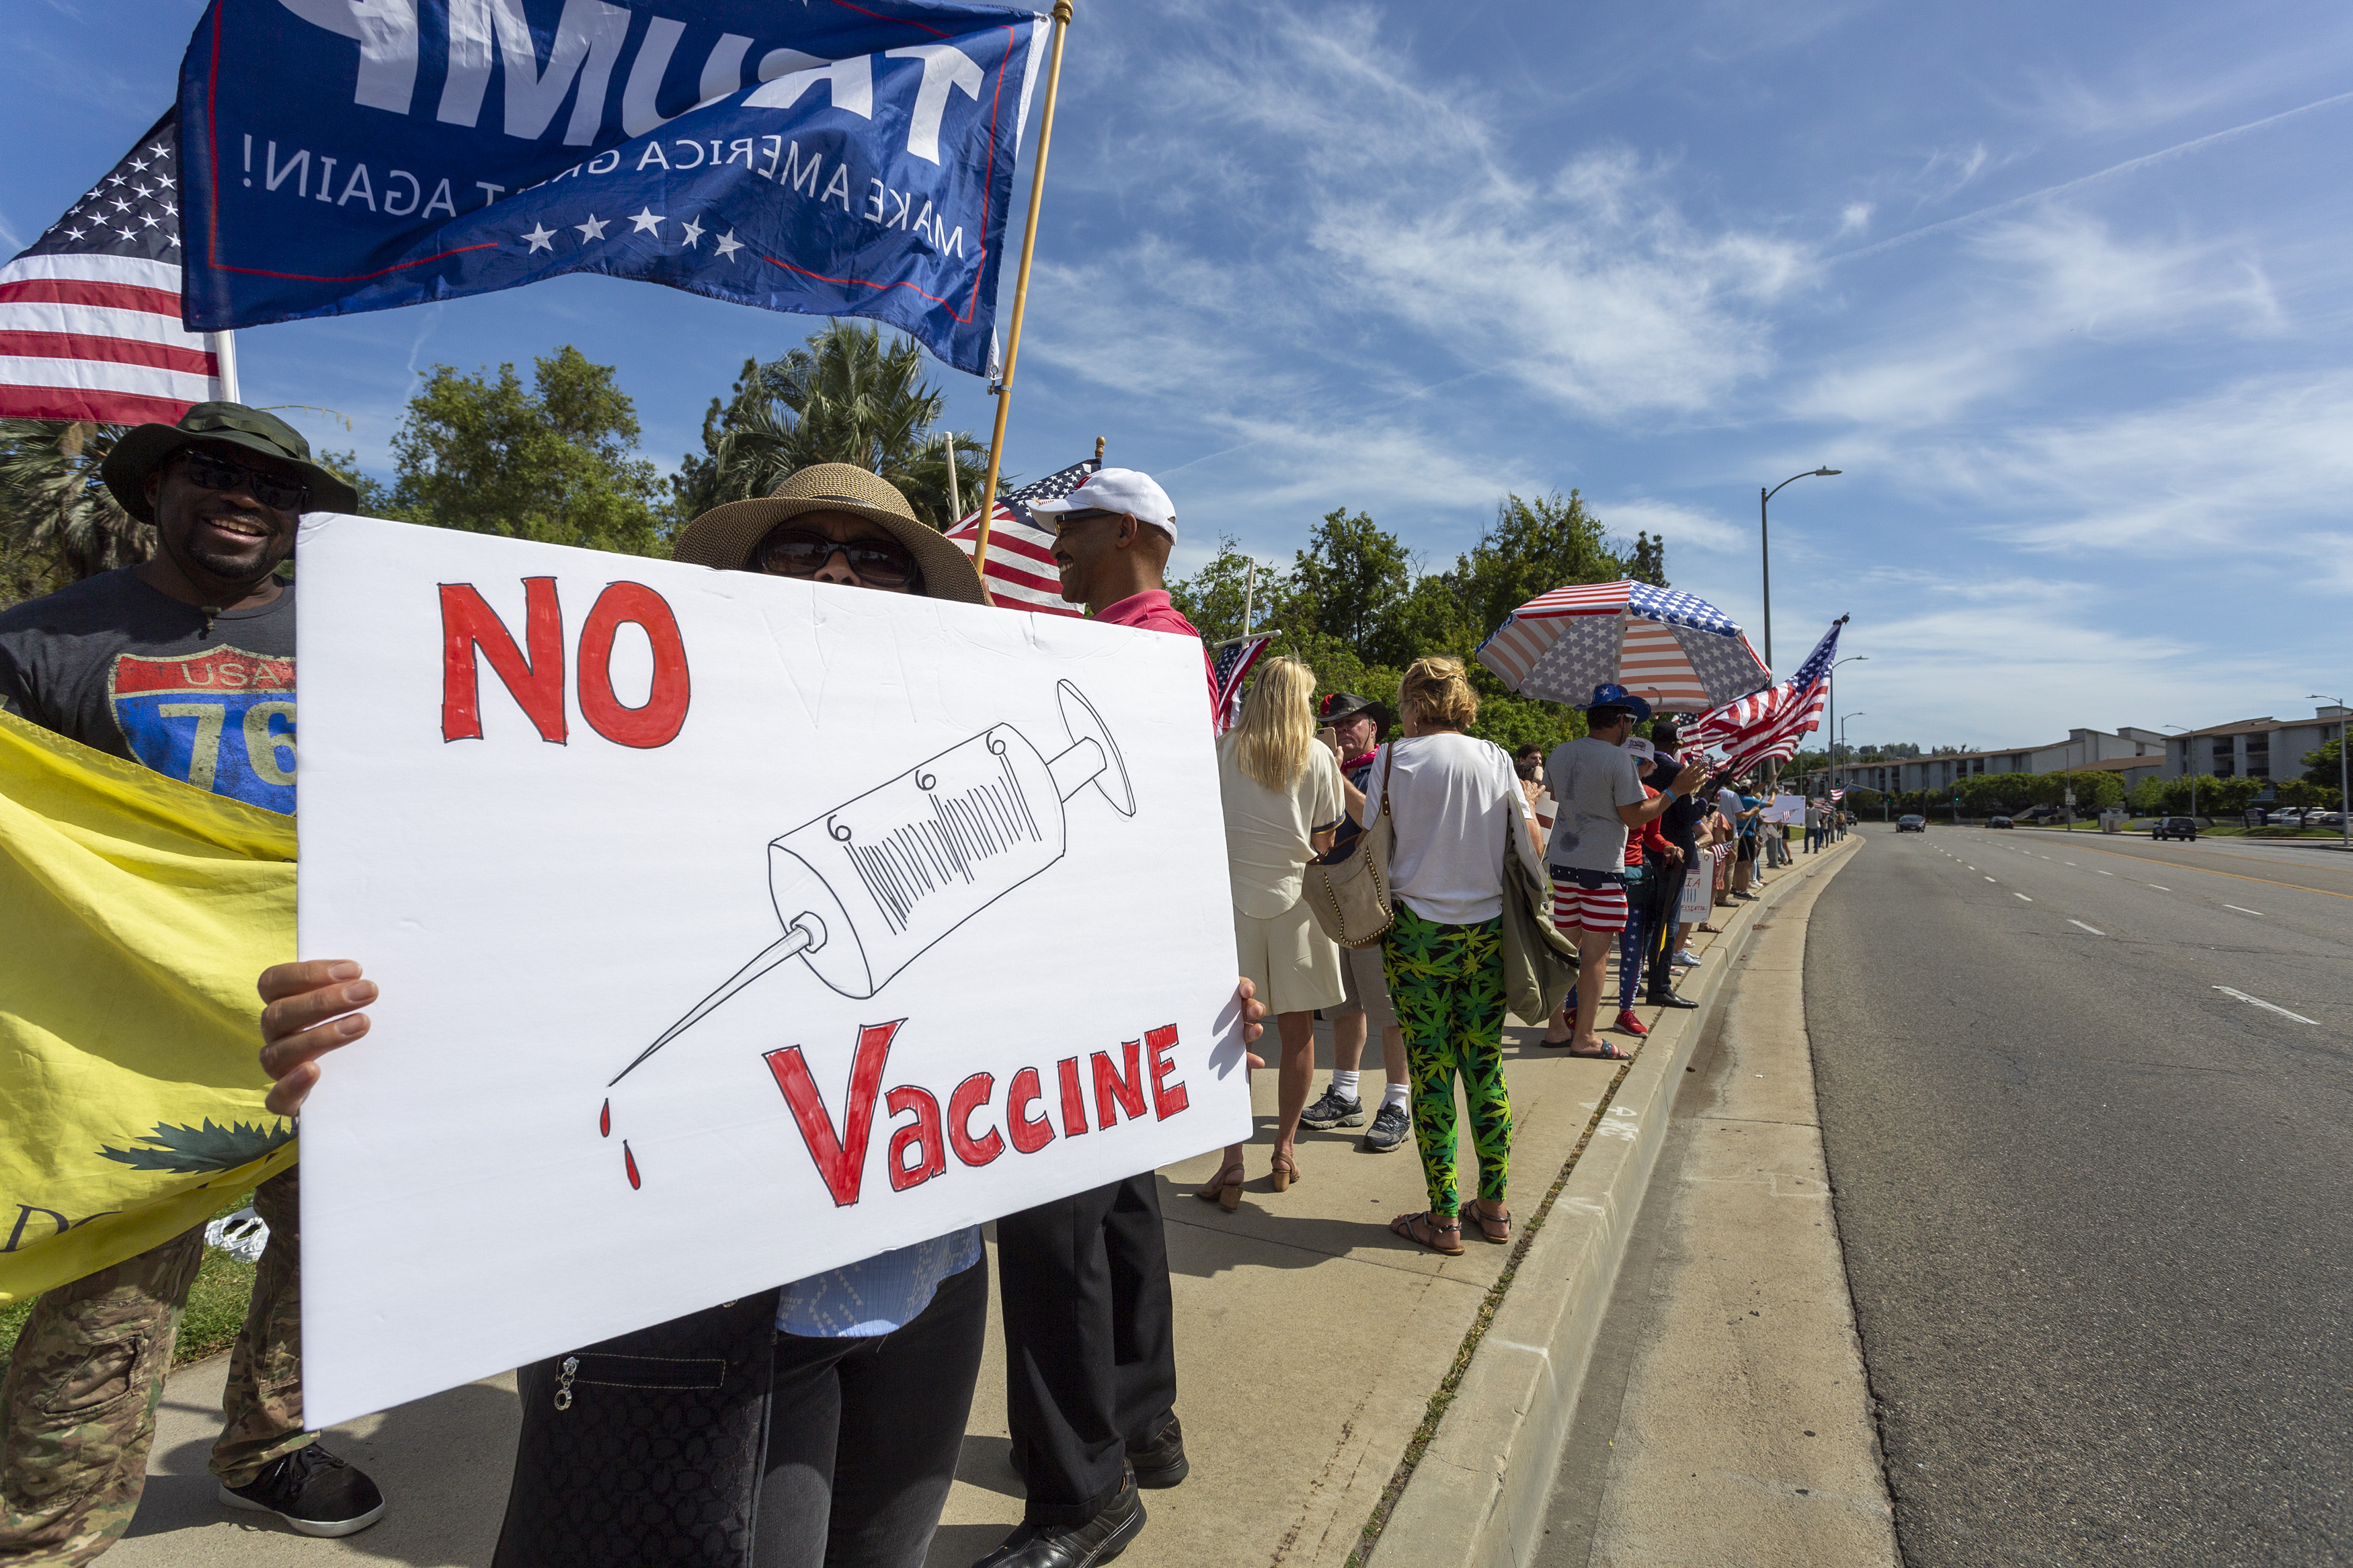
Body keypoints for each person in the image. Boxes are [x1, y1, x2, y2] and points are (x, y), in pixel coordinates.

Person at [251, 462, 1267, 1568]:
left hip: (923, 1288)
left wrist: (1177, 1006)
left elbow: (1060, 966)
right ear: (737, 581)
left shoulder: (967, 767)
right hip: (712, 1310)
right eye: (800, 550)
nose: (836, 571)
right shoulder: (607, 772)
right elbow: (495, 946)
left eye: (874, 556)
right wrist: (364, 1038)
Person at [0, 403, 387, 1556]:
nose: (242, 497)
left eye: (271, 484)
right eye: (212, 471)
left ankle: (268, 1448)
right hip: (137, 1043)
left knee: (334, 1254)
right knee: (108, 1310)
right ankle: (45, 1529)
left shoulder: (369, 635)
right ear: (156, 487)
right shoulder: (44, 642)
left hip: (331, 1016)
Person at [955, 466, 1200, 1567]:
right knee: (1119, 1208)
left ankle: (1080, 1489)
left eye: (1071, 528)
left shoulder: (1126, 648)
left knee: (1052, 1232)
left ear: (1129, 531)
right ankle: (1142, 1420)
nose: (1053, 545)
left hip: (1083, 973)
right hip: (1124, 972)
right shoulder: (1160, 644)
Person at [1359, 658, 1539, 1257]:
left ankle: (1443, 1218)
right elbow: (1531, 843)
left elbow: (1369, 843)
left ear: (1413, 703)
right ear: (1462, 701)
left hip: (1416, 937)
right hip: (1487, 932)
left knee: (1431, 1074)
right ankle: (1494, 1206)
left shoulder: (1392, 760)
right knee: (1484, 1066)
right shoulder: (1494, 758)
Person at [1205, 658, 1347, 1205]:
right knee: (1298, 1033)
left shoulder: (1224, 750)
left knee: (1229, 1035)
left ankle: (1232, 1159)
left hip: (1233, 905)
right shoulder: (1316, 756)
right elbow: (1326, 841)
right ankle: (1284, 1147)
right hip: (1298, 906)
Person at [1543, 687, 1709, 1061]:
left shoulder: (1561, 752)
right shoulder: (1618, 761)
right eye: (1631, 722)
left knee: (1563, 950)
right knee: (1596, 955)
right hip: (1601, 868)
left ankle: (1556, 1028)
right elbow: (1635, 816)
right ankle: (1584, 1036)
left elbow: (1550, 801)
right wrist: (1675, 790)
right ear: (1621, 720)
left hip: (1564, 863)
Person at [1298, 692, 1413, 1153]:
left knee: (1386, 1007)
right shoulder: (1325, 765)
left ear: (1374, 728)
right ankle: (1345, 1092)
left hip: (1370, 896)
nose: (1344, 728)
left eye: (1353, 721)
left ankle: (1398, 1103)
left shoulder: (1384, 765)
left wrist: (1329, 767)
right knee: (1343, 1002)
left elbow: (1373, 816)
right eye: (1334, 722)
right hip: (1330, 897)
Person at [1640, 719, 1704, 1011]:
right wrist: (1702, 799)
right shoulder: (1678, 772)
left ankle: (1640, 976)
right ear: (1677, 744)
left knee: (1648, 923)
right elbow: (1688, 815)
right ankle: (1661, 985)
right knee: (1667, 922)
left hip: (1646, 849)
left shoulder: (1641, 768)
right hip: (1671, 853)